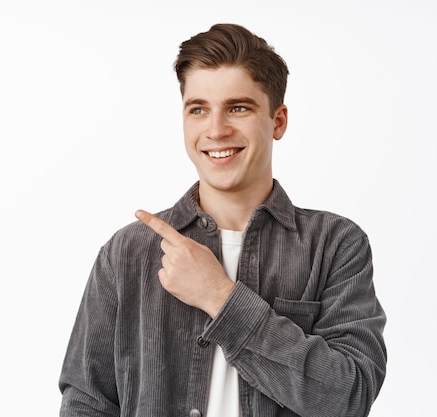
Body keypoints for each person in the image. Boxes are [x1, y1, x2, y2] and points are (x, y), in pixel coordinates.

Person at [58, 23, 387, 417]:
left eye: (238, 108)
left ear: (278, 121)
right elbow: (86, 403)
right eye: (198, 109)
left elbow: (347, 398)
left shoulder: (334, 244)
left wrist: (219, 296)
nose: (216, 130)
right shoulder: (128, 251)